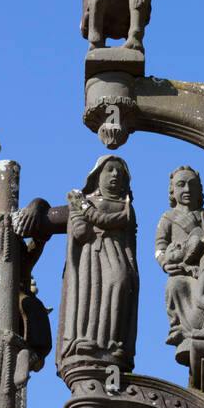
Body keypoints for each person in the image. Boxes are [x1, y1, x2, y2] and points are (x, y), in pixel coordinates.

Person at [57, 156, 139, 371]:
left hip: (115, 251)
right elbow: (80, 232)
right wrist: (76, 216)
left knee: (119, 283)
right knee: (89, 294)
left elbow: (108, 221)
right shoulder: (87, 201)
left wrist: (82, 207)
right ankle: (87, 339)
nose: (114, 175)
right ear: (97, 176)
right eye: (109, 170)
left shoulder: (126, 207)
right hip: (91, 253)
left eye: (119, 173)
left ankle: (112, 342)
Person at [154, 166, 204, 348]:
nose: (187, 189)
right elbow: (160, 246)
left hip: (201, 270)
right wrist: (164, 263)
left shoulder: (202, 215)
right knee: (173, 286)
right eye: (181, 185)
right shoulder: (169, 217)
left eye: (192, 185)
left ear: (199, 190)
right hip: (179, 270)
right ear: (173, 190)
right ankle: (178, 327)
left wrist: (194, 229)